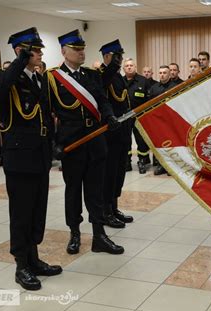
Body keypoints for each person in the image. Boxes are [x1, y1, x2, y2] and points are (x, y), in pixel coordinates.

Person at [0, 27, 61, 291]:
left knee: (37, 210)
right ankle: (21, 265)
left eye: (40, 50)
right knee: (21, 212)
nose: (40, 54)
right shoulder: (6, 78)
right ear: (21, 51)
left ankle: (34, 258)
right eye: (35, 50)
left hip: (39, 154)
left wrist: (54, 145)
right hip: (19, 157)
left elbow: (45, 114)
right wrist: (18, 63)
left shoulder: (37, 79)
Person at [42, 29, 124, 255]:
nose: (81, 53)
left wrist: (109, 117)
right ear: (64, 51)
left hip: (95, 140)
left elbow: (101, 100)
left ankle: (99, 235)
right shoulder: (52, 78)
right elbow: (47, 113)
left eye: (82, 49)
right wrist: (53, 144)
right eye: (76, 49)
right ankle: (75, 233)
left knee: (95, 190)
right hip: (72, 143)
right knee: (73, 190)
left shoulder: (91, 75)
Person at [99, 39, 135, 229]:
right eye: (116, 56)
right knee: (109, 174)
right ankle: (105, 211)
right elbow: (102, 87)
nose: (120, 60)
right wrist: (110, 68)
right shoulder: (102, 75)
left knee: (119, 172)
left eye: (121, 56)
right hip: (109, 136)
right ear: (106, 57)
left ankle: (114, 207)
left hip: (122, 133)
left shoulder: (119, 76)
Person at [122, 59, 152, 173]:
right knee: (125, 140)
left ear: (135, 67)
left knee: (141, 140)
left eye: (131, 65)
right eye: (127, 66)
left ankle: (142, 161)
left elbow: (149, 100)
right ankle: (127, 162)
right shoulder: (120, 81)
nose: (129, 67)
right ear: (123, 69)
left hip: (140, 116)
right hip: (124, 117)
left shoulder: (143, 81)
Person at [149, 65, 177, 176]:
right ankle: (161, 165)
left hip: (171, 120)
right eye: (160, 73)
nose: (162, 75)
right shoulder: (154, 88)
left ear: (169, 74)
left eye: (165, 73)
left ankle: (172, 166)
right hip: (158, 121)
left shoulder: (175, 87)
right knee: (160, 144)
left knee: (172, 144)